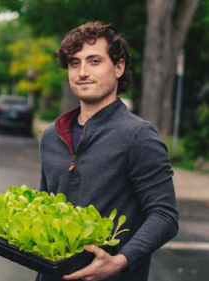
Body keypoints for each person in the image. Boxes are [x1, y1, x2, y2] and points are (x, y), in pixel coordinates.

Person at [38, 22, 178, 281]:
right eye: (74, 63)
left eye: (94, 61)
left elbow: (165, 215)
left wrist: (120, 261)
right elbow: (44, 208)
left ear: (118, 67)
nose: (82, 72)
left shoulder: (138, 136)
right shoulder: (51, 136)